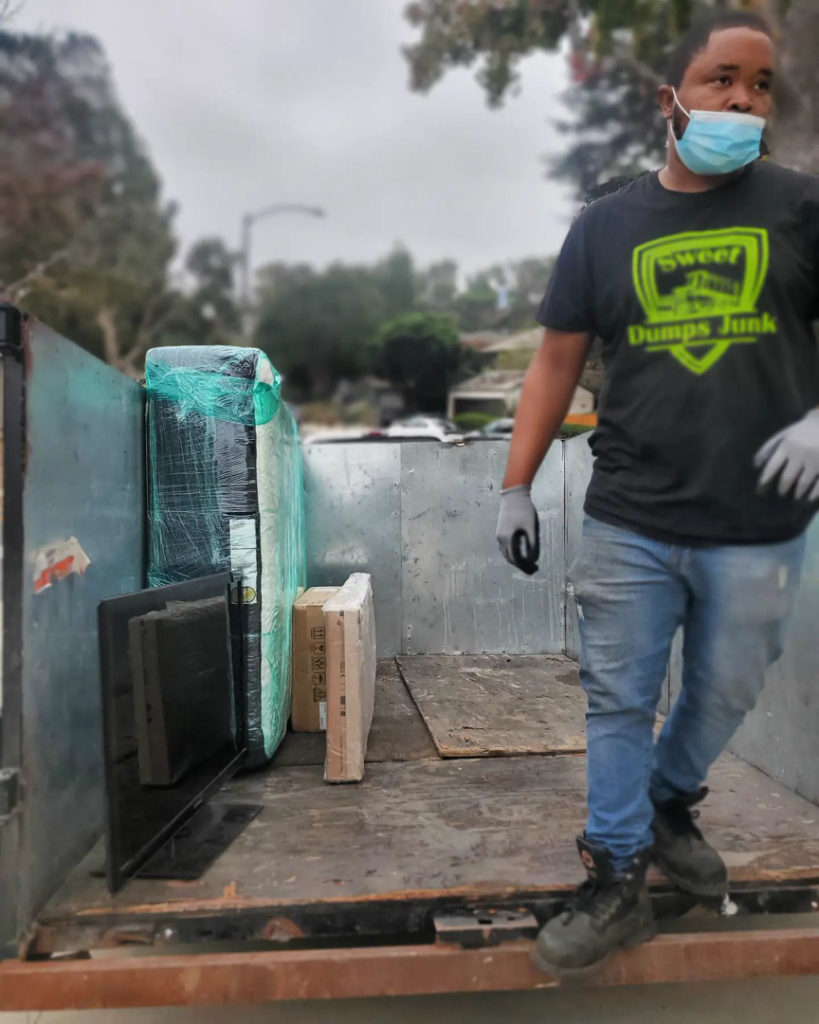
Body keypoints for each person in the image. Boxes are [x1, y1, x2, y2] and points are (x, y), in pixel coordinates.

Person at [496, 10, 819, 976]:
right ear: (668, 97)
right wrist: (515, 483)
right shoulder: (605, 227)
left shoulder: (799, 208)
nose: (742, 103)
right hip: (630, 514)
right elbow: (555, 362)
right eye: (723, 80)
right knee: (616, 699)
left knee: (725, 689)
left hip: (758, 521)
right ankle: (618, 876)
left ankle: (671, 799)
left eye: (760, 87)